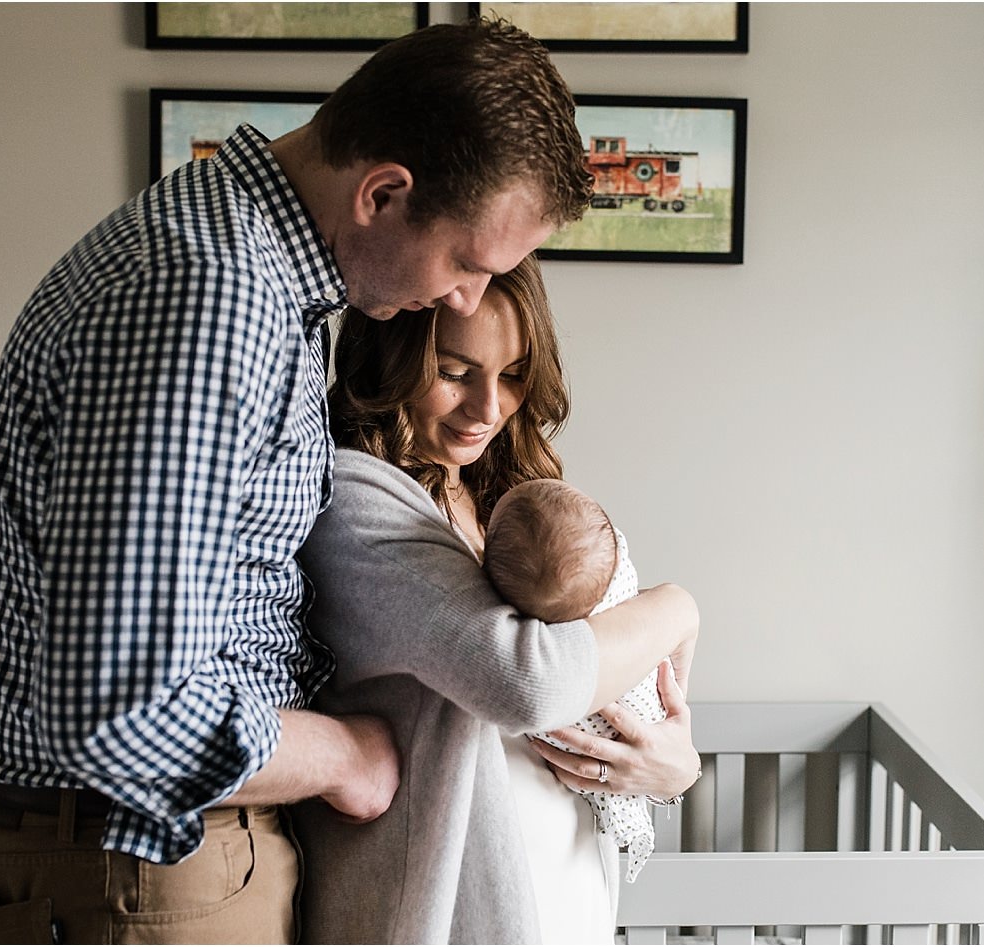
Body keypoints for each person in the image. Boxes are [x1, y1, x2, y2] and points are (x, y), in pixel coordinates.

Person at [0, 19, 590, 944]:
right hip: (147, 863)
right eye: (464, 262)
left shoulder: (229, 266)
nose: (462, 299)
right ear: (383, 192)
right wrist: (346, 755)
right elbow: (125, 707)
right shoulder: (210, 296)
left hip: (153, 858)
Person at [294, 257, 702, 944]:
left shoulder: (504, 495)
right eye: (454, 372)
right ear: (389, 356)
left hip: (568, 888)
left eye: (512, 374)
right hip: (457, 906)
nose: (488, 409)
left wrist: (672, 766)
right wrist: (679, 606)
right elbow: (529, 676)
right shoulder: (356, 500)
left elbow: (607, 680)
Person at [488, 479, 676, 889]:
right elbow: (537, 683)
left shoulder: (558, 549)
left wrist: (679, 770)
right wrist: (677, 607)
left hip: (577, 850)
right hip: (532, 858)